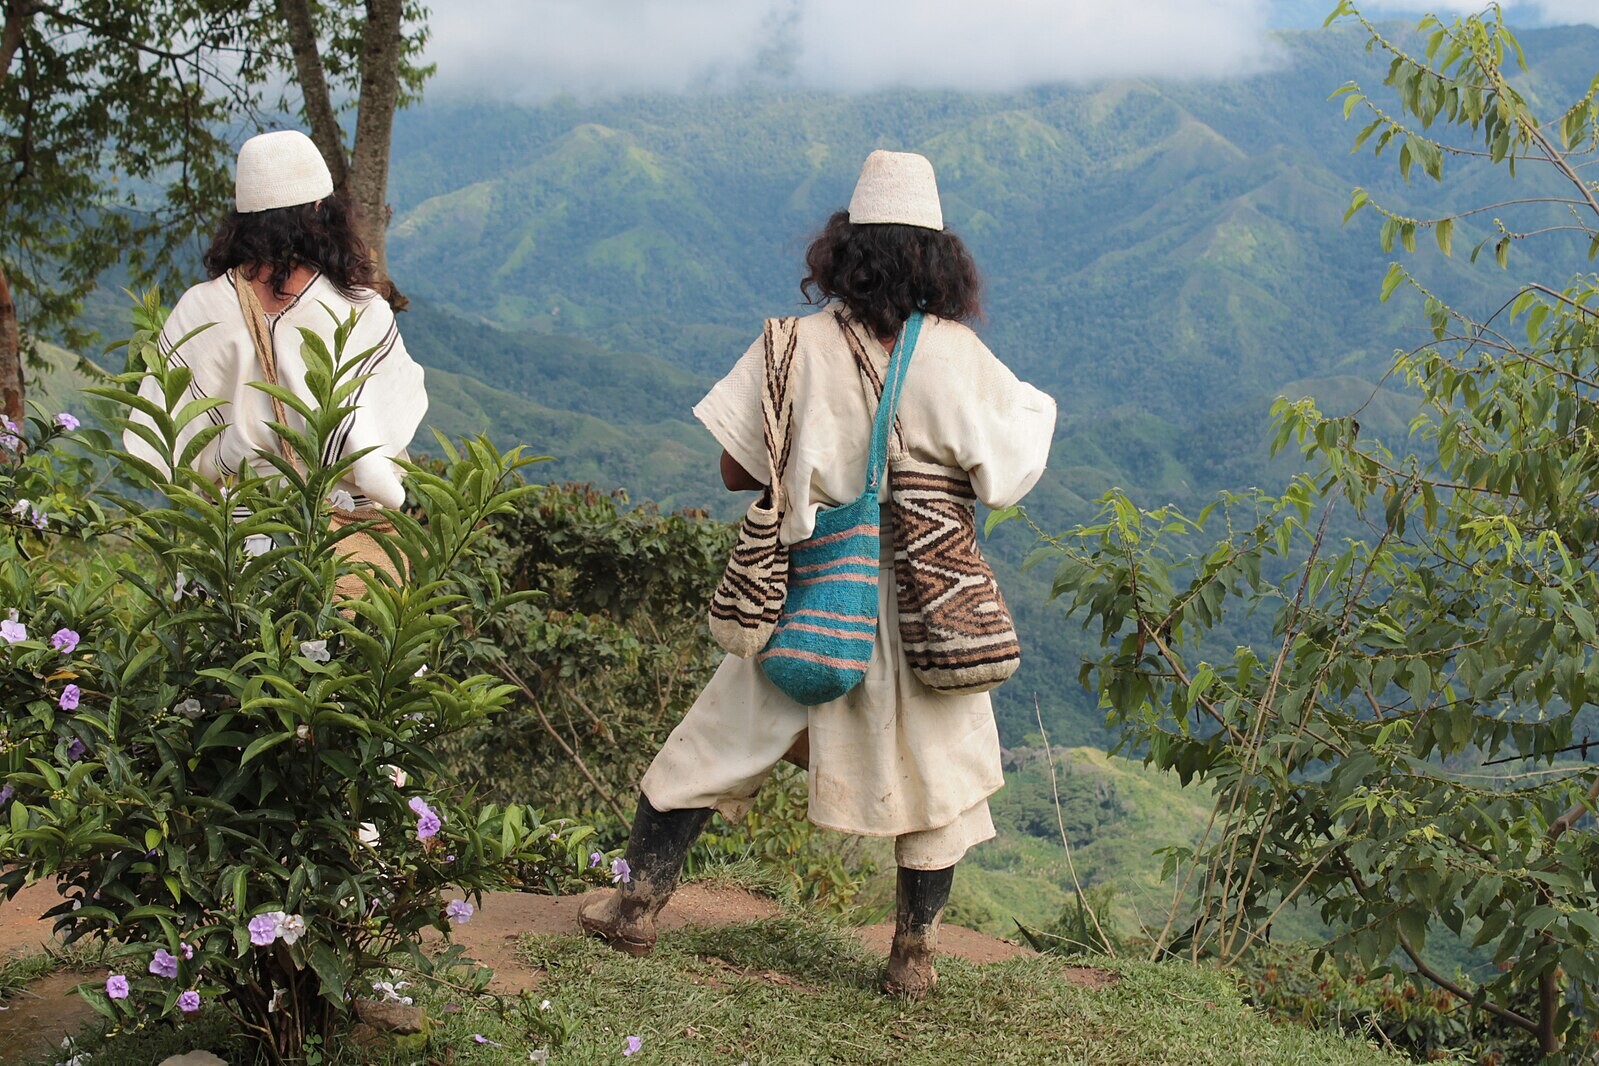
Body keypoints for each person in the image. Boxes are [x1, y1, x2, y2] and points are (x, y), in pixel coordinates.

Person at [578, 149, 1057, 997]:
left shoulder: (789, 348)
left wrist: (811, 457)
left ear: (843, 251)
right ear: (938, 260)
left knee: (713, 743)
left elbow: (733, 471)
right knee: (941, 776)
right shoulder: (957, 356)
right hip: (926, 604)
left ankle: (637, 905)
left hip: (811, 589)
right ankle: (911, 956)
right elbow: (1007, 475)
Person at [124, 130, 427, 589]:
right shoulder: (358, 309)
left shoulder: (200, 307)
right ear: (324, 213)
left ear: (243, 221)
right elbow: (387, 439)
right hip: (340, 542)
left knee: (229, 655)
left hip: (234, 542)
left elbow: (160, 443)